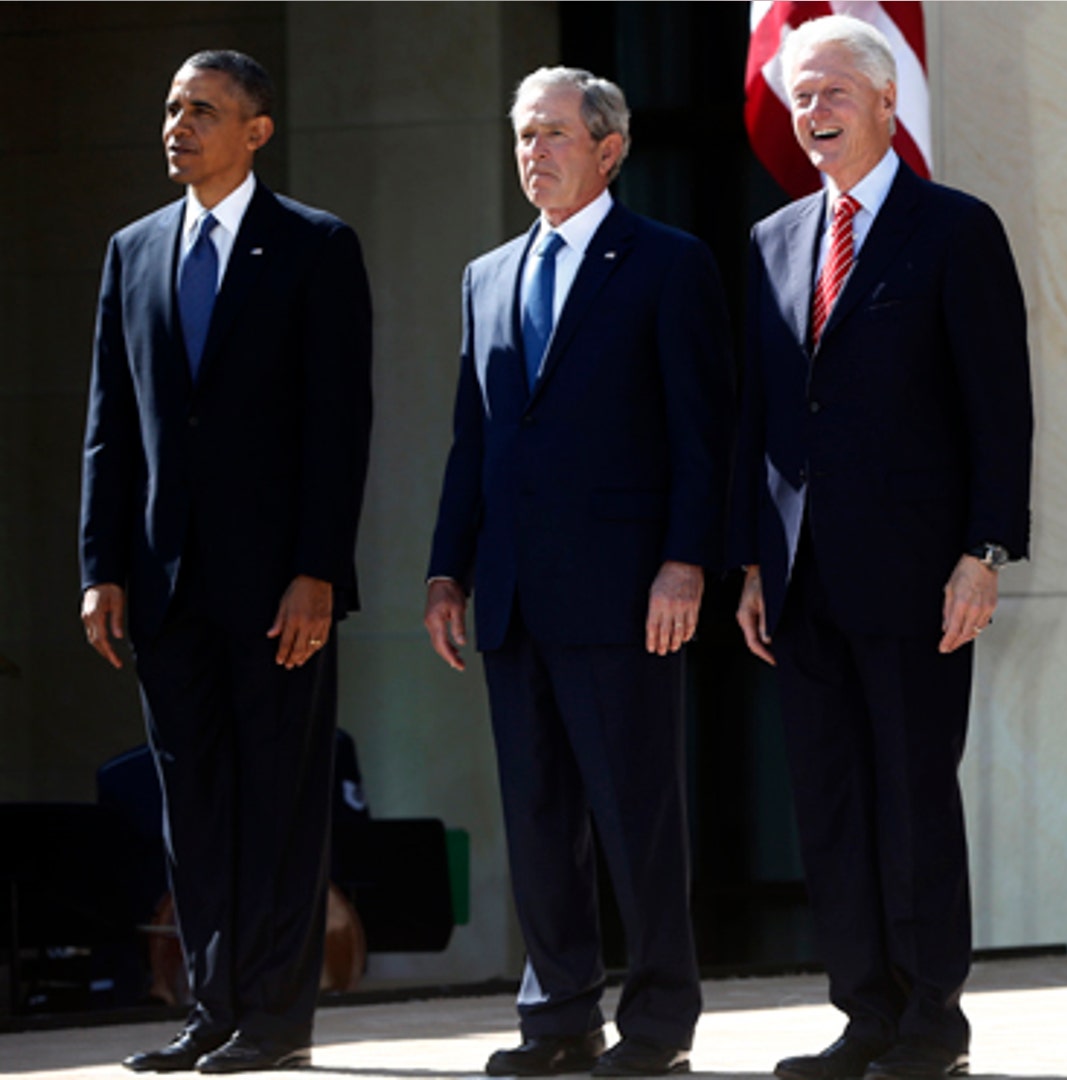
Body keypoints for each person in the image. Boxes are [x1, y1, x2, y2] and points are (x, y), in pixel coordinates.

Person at [730, 15, 1033, 1080]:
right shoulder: (772, 242)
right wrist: (754, 563)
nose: (813, 114)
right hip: (802, 580)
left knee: (912, 799)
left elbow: (1000, 408)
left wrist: (983, 550)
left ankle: (930, 1025)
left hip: (918, 575)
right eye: (800, 97)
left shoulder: (955, 229)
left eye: (833, 95)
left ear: (886, 101)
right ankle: (863, 1013)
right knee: (831, 804)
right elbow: (764, 417)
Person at [423, 66, 731, 1078]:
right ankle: (555, 1019)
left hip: (625, 594)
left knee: (636, 815)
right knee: (540, 819)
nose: (534, 152)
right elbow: (475, 441)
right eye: (522, 134)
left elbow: (700, 433)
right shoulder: (486, 275)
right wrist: (445, 573)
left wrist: (685, 563)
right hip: (512, 594)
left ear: (609, 149)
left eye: (554, 133)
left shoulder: (667, 264)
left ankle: (656, 1026)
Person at [79, 49, 373, 1073]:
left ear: (257, 131)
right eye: (170, 108)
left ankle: (277, 1022)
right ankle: (212, 1013)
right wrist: (100, 566)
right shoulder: (133, 250)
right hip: (163, 586)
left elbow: (340, 426)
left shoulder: (315, 248)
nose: (179, 124)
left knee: (280, 804)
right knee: (193, 806)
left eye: (203, 109)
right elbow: (111, 427)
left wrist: (318, 570)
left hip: (278, 585)